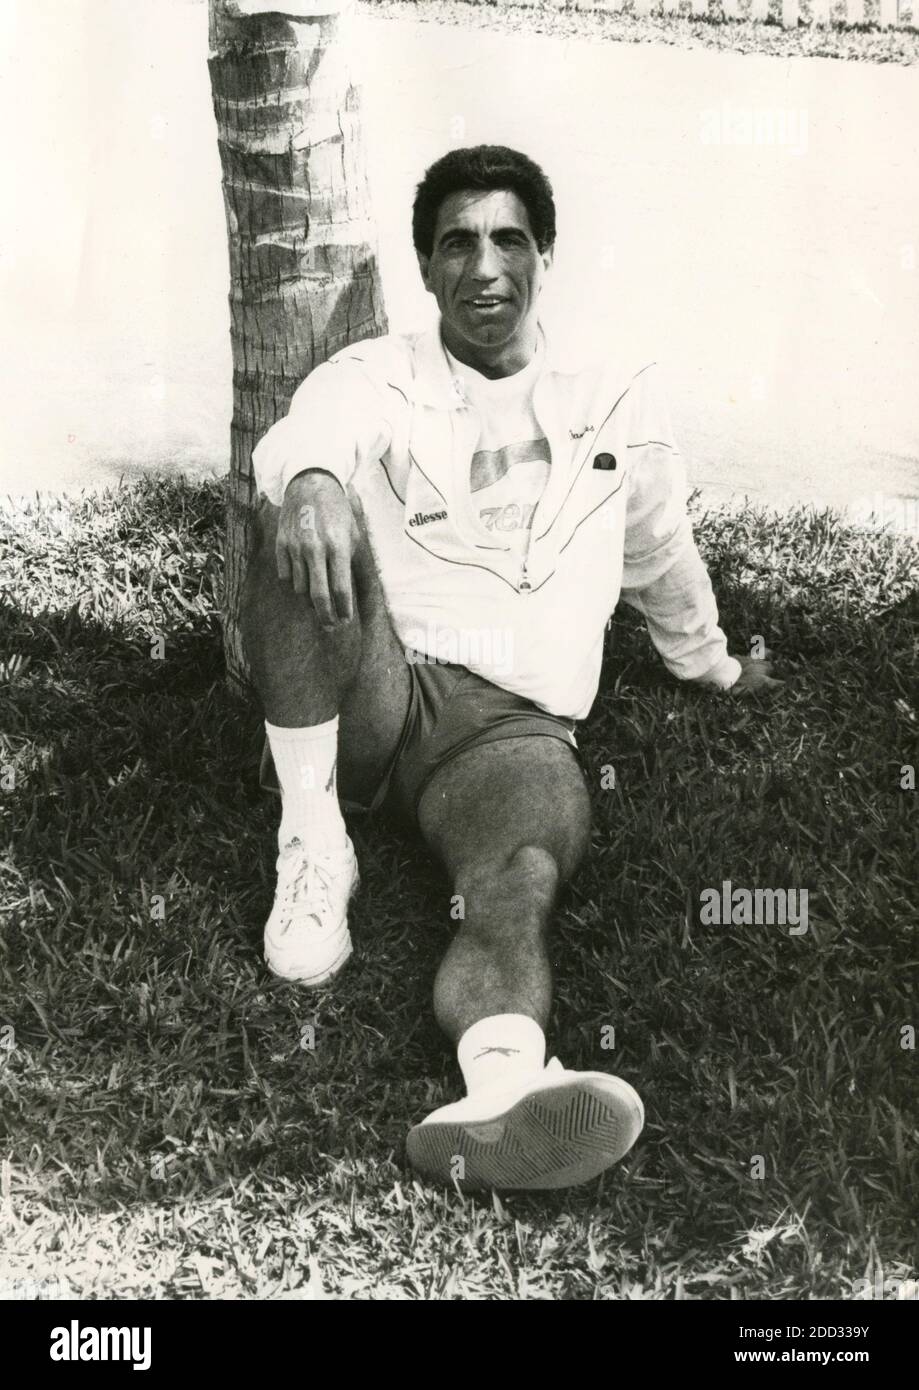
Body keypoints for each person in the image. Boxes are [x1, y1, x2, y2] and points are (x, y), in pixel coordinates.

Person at [241, 145, 782, 1191]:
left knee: (517, 876)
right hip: (385, 686)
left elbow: (658, 550)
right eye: (456, 243)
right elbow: (315, 429)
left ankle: (499, 1085)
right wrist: (308, 478)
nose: (483, 266)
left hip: (510, 733)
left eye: (507, 240)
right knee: (306, 504)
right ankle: (313, 838)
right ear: (426, 267)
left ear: (544, 257)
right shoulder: (381, 372)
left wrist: (709, 666)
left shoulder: (613, 399)